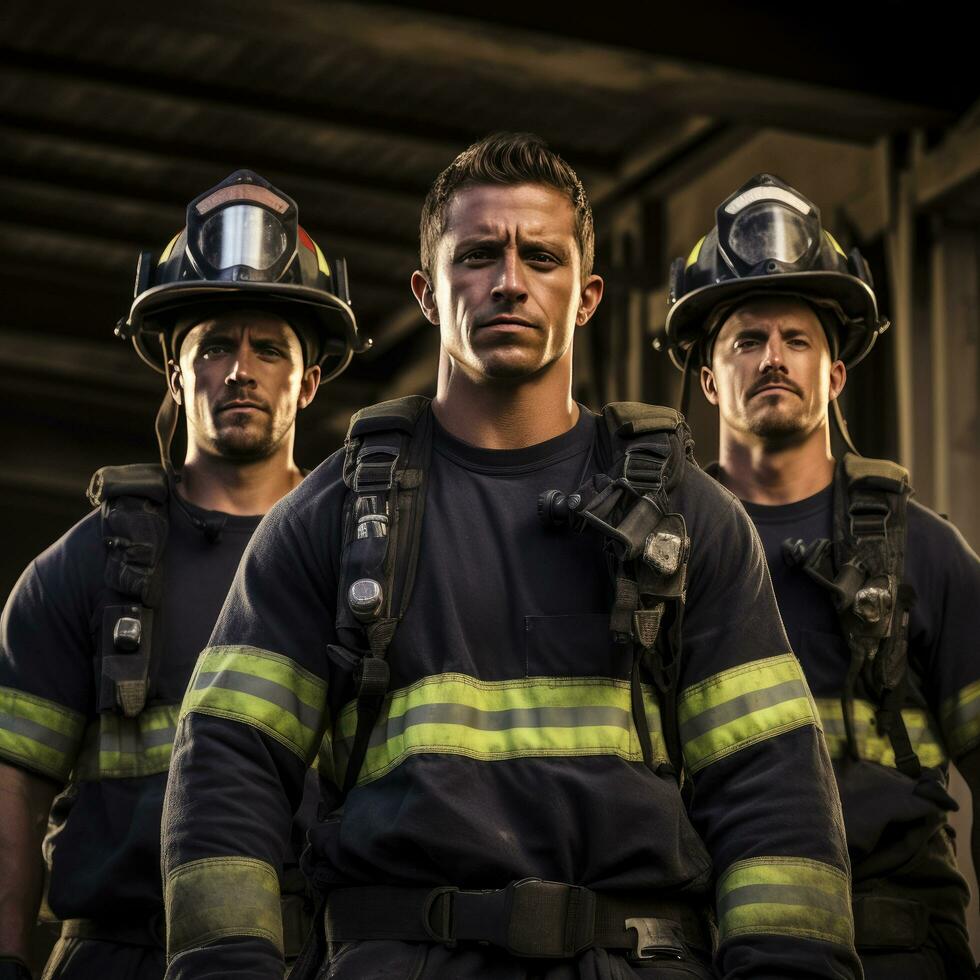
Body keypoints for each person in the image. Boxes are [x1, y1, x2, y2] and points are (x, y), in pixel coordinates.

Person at [161, 134, 860, 980]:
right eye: (479, 255)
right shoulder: (333, 514)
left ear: (588, 293)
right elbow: (227, 768)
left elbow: (772, 795)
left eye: (541, 257)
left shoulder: (691, 518)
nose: (510, 282)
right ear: (426, 291)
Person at [0, 169, 367, 980]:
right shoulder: (86, 567)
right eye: (215, 347)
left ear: (308, 381)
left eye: (269, 348)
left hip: (316, 955)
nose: (241, 370)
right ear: (176, 372)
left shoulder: (369, 555)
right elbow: (12, 795)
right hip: (120, 953)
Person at [660, 172, 980, 978]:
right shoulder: (659, 556)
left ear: (836, 374)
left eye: (798, 340)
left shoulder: (925, 553)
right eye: (747, 340)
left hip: (901, 949)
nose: (775, 360)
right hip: (707, 948)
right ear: (708, 380)